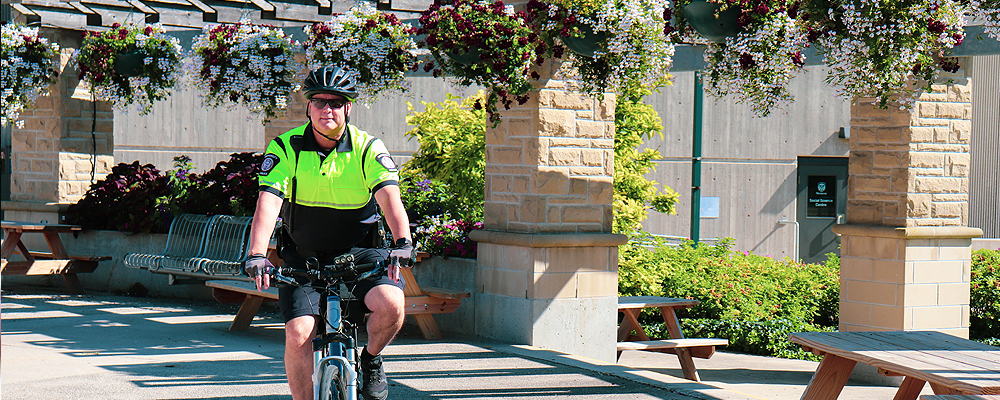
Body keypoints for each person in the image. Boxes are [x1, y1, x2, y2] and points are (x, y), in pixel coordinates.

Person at [242, 65, 414, 400]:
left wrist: (403, 242)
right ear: (308, 106)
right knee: (299, 333)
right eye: (318, 101)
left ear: (348, 107)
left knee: (392, 304)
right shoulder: (286, 148)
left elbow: (390, 199)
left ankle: (372, 359)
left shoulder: (368, 149)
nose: (327, 109)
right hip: (303, 258)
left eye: (336, 102)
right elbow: (268, 204)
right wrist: (257, 254)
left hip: (361, 255)